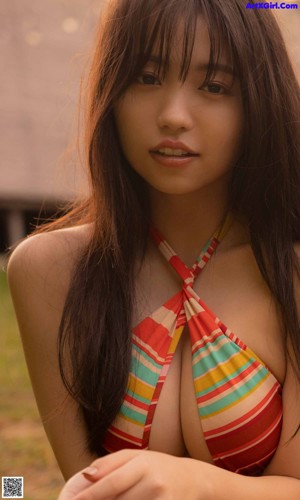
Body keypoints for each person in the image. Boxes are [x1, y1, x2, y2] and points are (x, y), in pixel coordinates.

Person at [7, 0, 300, 498]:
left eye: (214, 86)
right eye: (145, 77)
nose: (172, 116)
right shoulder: (49, 271)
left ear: (258, 101)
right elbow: (85, 486)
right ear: (111, 91)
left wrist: (194, 482)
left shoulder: (288, 272)